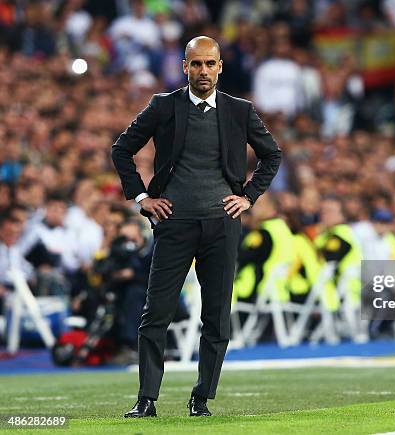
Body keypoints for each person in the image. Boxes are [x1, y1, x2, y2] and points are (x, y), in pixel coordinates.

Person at [111, 36, 281, 418]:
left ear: (220, 66)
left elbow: (272, 155)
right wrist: (141, 198)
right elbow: (121, 149)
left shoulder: (240, 110)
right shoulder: (163, 106)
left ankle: (201, 397)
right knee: (156, 312)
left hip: (222, 224)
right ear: (183, 67)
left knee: (217, 316)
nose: (202, 71)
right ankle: (146, 398)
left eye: (209, 64)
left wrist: (249, 197)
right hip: (173, 222)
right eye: (195, 64)